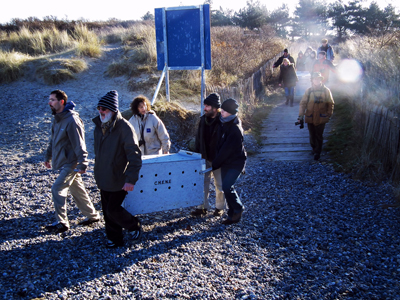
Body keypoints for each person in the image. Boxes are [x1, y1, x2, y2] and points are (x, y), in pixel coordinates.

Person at [44, 90, 100, 234]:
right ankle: (93, 216)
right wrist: (47, 156)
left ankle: (62, 223)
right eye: (49, 100)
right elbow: (53, 140)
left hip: (72, 162)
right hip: (64, 161)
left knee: (57, 188)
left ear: (61, 101)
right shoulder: (57, 118)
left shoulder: (72, 120)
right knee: (77, 188)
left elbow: (79, 144)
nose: (49, 102)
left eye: (52, 100)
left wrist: (83, 163)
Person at [93, 90, 143, 248]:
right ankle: (115, 239)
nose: (101, 111)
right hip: (103, 177)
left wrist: (130, 179)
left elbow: (134, 156)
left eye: (104, 108)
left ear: (113, 110)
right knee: (107, 212)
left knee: (113, 210)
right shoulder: (98, 126)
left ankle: (134, 225)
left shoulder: (124, 128)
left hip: (118, 178)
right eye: (99, 108)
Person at [212, 98, 247, 225]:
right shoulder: (223, 122)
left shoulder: (235, 129)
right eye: (222, 109)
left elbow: (227, 150)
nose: (222, 112)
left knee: (227, 186)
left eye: (225, 110)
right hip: (226, 162)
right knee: (226, 188)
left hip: (236, 162)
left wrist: (215, 164)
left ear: (232, 113)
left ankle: (238, 208)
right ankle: (232, 214)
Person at [191, 93, 225, 217]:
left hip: (219, 158)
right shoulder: (202, 120)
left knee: (220, 185)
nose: (204, 108)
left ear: (215, 108)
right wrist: (197, 155)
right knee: (202, 183)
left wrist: (223, 157)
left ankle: (219, 207)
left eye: (207, 106)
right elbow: (198, 139)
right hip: (204, 157)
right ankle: (202, 208)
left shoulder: (223, 121)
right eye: (204, 105)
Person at [297, 72, 334, 161]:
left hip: (321, 117)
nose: (316, 80)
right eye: (315, 79)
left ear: (321, 80)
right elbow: (303, 104)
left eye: (318, 79)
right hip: (310, 116)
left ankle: (318, 152)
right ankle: (314, 148)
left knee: (319, 135)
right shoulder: (309, 91)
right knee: (312, 135)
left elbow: (330, 103)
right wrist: (300, 116)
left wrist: (329, 114)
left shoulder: (326, 91)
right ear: (312, 80)